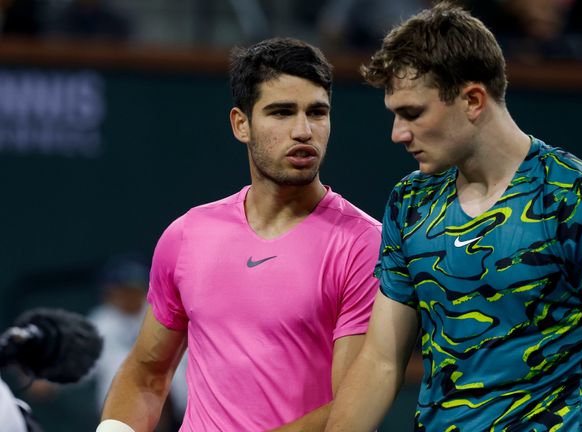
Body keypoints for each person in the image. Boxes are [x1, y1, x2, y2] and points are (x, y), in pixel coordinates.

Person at [325, 3, 582, 431]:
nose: (398, 134)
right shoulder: (409, 202)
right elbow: (380, 361)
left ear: (472, 99)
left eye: (412, 113)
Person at [97, 37, 381, 432]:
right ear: (241, 124)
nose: (303, 131)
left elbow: (350, 412)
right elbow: (147, 372)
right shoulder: (187, 235)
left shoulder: (364, 245)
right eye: (281, 112)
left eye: (317, 112)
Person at [88, 255, 187, 430]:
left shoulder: (164, 310)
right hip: (119, 414)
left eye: (131, 288)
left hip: (176, 409)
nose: (125, 294)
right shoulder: (101, 322)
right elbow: (83, 361)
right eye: (120, 288)